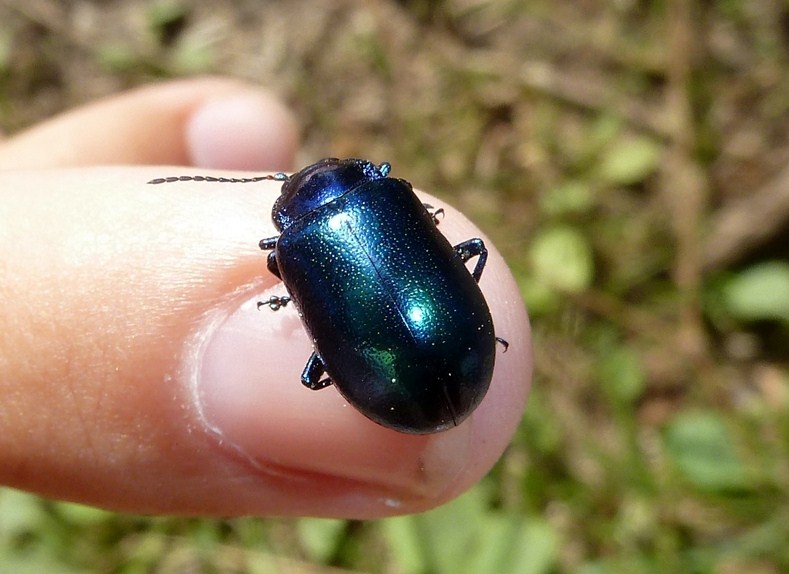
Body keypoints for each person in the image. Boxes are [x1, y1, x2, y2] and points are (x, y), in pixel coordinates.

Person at [0, 77, 532, 518]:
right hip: (464, 352)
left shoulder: (291, 248)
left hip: (416, 380)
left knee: (309, 356)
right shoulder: (388, 196)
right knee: (472, 249)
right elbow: (462, 252)